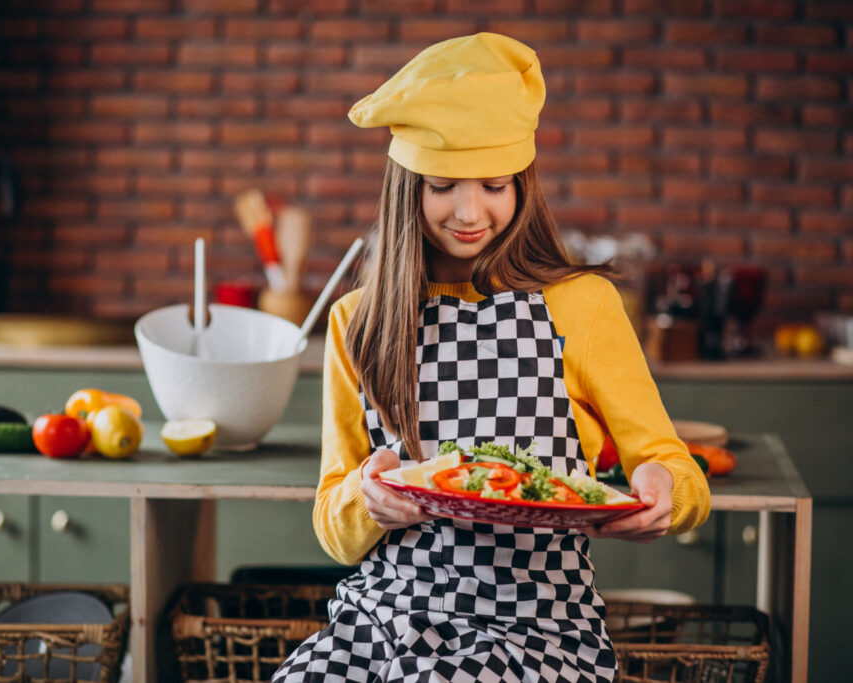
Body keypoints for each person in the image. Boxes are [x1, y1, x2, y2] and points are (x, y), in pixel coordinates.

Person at [273, 33, 710, 683]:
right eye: (444, 186)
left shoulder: (581, 304)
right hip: (383, 620)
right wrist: (368, 500)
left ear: (523, 185)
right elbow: (332, 527)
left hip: (537, 628)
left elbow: (674, 463)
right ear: (407, 187)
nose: (470, 212)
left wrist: (666, 489)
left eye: (496, 185)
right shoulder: (355, 322)